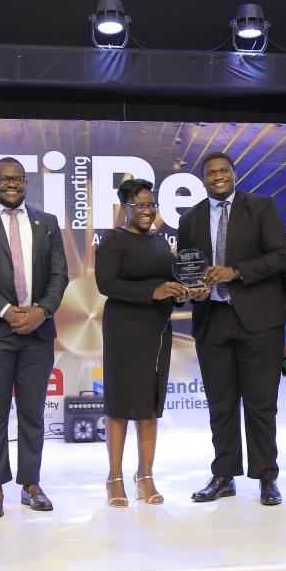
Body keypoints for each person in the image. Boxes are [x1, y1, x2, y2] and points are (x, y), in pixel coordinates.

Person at [0, 156, 69, 519]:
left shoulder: (46, 222)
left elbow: (59, 274)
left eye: (17, 178)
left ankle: (30, 484)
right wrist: (6, 311)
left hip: (38, 332)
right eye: (4, 179)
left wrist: (42, 311)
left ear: (25, 182)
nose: (12, 184)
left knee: (33, 412)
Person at [177, 151, 286, 505]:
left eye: (223, 171)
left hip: (259, 320)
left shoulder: (261, 207)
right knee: (221, 404)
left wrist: (235, 272)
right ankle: (224, 475)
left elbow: (279, 257)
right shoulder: (191, 217)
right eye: (210, 173)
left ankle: (266, 477)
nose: (217, 177)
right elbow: (188, 268)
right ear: (203, 178)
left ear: (234, 174)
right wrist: (194, 289)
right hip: (212, 319)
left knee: (260, 404)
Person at [95, 179, 188, 507]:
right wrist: (153, 291)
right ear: (126, 208)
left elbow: (169, 283)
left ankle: (145, 475)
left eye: (152, 205)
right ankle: (114, 477)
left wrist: (181, 293)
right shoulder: (113, 240)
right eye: (141, 205)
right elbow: (106, 284)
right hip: (124, 330)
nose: (148, 211)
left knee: (149, 405)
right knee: (120, 405)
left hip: (157, 331)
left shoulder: (161, 243)